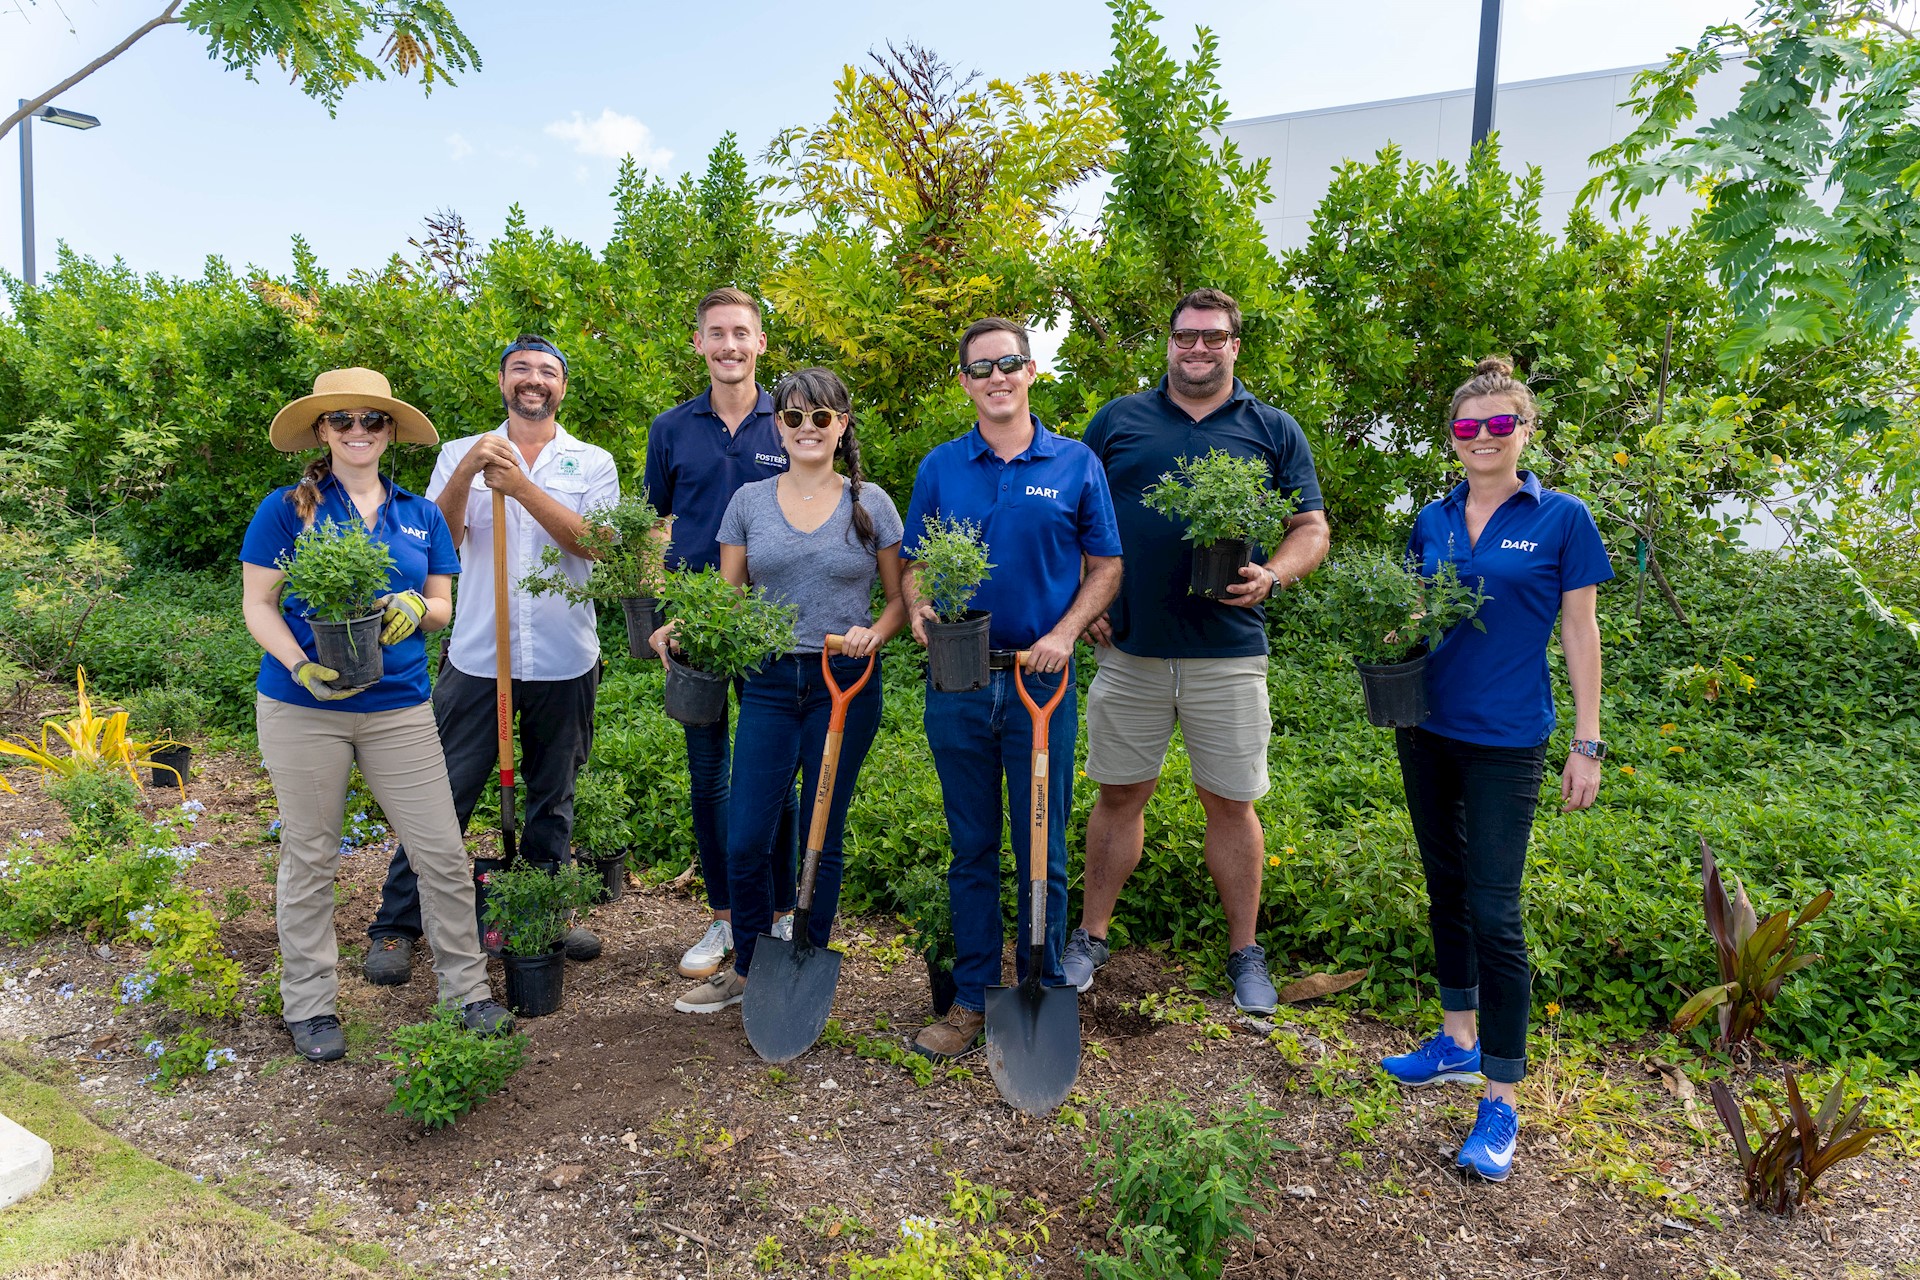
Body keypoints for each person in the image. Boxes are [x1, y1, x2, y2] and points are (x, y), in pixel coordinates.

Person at [1377, 356, 1610, 1182]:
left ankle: (1502, 1100)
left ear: (1525, 432)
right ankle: (1456, 1039)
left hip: (1509, 738)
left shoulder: (1562, 519)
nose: (1483, 439)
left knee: (1495, 912)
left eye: (1499, 425)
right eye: (1469, 428)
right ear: (1453, 437)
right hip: (1427, 728)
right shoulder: (1432, 520)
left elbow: (1580, 631)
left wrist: (1588, 742)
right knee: (1443, 887)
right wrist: (1387, 641)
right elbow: (1415, 610)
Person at [1066, 287, 1330, 1016]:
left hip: (1229, 652)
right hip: (1131, 647)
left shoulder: (1273, 429)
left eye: (1214, 338)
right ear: (1170, 343)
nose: (1198, 349)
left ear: (1235, 346)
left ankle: (1245, 951)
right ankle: (1090, 936)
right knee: (1119, 795)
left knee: (1231, 801)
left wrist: (1274, 573)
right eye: (1186, 337)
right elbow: (1072, 515)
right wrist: (1081, 601)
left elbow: (1312, 527)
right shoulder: (1118, 421)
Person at [241, 367, 513, 1061]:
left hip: (399, 708)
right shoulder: (287, 510)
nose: (358, 432)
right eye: (343, 421)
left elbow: (444, 601)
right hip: (304, 707)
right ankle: (309, 1005)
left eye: (372, 421)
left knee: (442, 854)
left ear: (390, 432)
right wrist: (299, 662)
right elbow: (259, 605)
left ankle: (467, 992)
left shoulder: (419, 515)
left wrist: (423, 608)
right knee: (310, 855)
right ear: (322, 432)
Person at [364, 334, 619, 981]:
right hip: (478, 655)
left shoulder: (591, 462)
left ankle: (540, 915)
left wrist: (521, 487)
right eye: (521, 370)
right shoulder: (460, 453)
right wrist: (468, 473)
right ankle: (397, 924)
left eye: (547, 372)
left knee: (552, 797)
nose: (534, 380)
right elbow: (435, 543)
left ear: (562, 386)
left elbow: (597, 545)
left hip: (565, 659)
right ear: (503, 380)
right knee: (442, 791)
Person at [902, 317, 1123, 1061]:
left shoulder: (1075, 463)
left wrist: (1064, 634)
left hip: (1042, 684)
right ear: (965, 382)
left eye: (1010, 363)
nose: (997, 377)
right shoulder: (941, 466)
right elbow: (913, 565)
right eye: (981, 367)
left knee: (1043, 847)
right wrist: (920, 606)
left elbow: (1106, 566)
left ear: (1031, 373)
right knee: (971, 848)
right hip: (959, 682)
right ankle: (968, 1000)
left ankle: (1039, 988)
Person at [666, 367, 908, 1013]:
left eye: (820, 418)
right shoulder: (748, 501)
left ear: (841, 426)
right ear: (779, 425)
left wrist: (872, 635)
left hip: (844, 684)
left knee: (820, 834)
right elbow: (729, 598)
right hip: (770, 681)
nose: (807, 428)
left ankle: (804, 964)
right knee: (747, 835)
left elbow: (897, 602)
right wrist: (685, 622)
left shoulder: (873, 502)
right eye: (794, 417)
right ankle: (746, 966)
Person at [643, 288, 800, 982]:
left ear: (761, 343)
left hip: (772, 628)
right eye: (717, 334)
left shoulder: (789, 422)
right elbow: (654, 526)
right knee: (708, 777)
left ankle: (785, 910)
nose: (730, 345)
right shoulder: (671, 428)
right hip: (696, 628)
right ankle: (726, 915)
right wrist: (654, 617)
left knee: (776, 777)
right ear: (699, 344)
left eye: (742, 332)